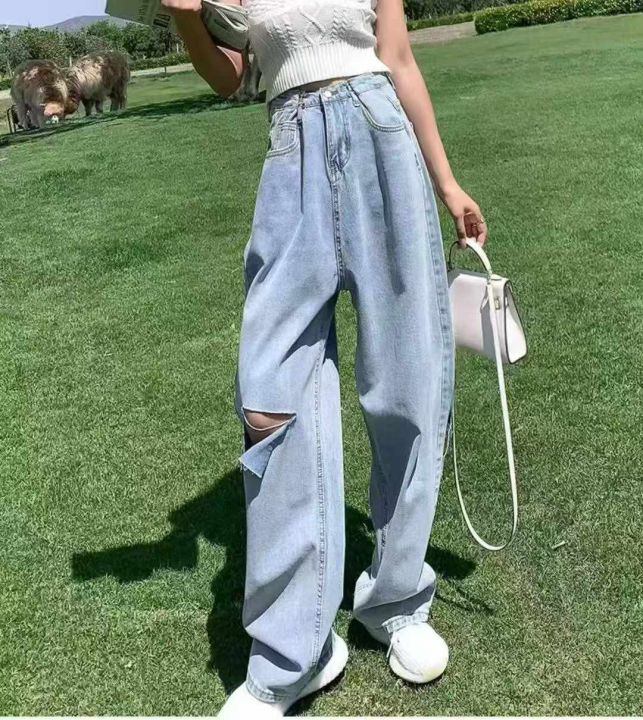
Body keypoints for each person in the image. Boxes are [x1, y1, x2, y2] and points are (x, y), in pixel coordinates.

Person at [162, 0, 488, 716]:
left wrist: (446, 183)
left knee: (407, 382)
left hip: (383, 141)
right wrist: (185, 18)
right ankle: (295, 653)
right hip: (291, 154)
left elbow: (398, 60)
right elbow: (232, 78)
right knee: (269, 396)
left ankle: (395, 599)